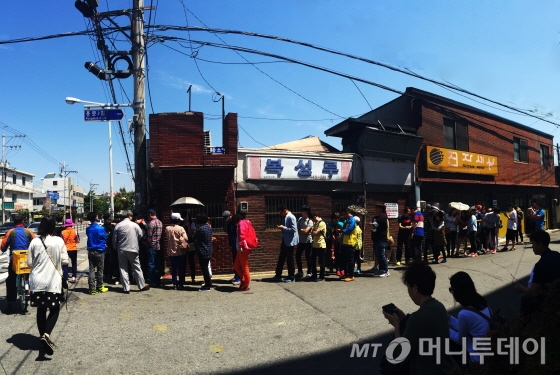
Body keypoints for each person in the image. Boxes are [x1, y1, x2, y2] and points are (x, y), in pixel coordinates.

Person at [382, 262, 455, 374]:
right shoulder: (439, 307)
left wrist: (396, 326)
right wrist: (404, 318)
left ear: (415, 288)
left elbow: (399, 355)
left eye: (409, 287)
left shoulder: (418, 317)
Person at [27, 216, 69, 356]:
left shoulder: (34, 241)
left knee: (41, 309)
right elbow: (65, 260)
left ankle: (42, 338)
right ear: (53, 226)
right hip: (53, 281)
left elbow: (29, 263)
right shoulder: (59, 241)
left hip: (37, 281)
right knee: (55, 308)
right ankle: (46, 335)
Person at [448, 272, 491, 363]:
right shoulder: (482, 303)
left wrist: (445, 329)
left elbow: (460, 340)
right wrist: (448, 318)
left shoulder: (464, 314)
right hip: (488, 351)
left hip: (476, 358)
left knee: (447, 340)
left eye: (451, 289)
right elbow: (465, 326)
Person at [514, 230, 560, 317]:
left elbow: (534, 291)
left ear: (540, 245)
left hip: (548, 299)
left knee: (526, 300)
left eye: (533, 244)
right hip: (556, 294)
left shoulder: (540, 265)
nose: (532, 247)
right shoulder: (556, 255)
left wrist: (522, 289)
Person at [1, 214, 35, 314]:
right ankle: (31, 291)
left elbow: (3, 246)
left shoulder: (10, 232)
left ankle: (10, 303)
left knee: (10, 279)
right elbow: (36, 242)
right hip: (27, 259)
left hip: (15, 259)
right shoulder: (29, 231)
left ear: (14, 223)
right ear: (23, 222)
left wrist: (4, 248)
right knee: (31, 275)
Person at [113, 210, 149, 293]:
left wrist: (116, 247)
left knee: (123, 268)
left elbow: (114, 239)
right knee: (137, 267)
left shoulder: (118, 225)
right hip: (133, 248)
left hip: (121, 249)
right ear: (129, 216)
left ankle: (126, 288)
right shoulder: (134, 225)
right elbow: (140, 235)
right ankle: (141, 285)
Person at [273, 205, 298, 283]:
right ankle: (278, 275)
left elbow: (294, 229)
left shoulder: (291, 217)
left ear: (284, 210)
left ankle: (291, 276)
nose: (281, 214)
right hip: (285, 240)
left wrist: (283, 228)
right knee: (281, 258)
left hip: (290, 241)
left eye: (281, 213)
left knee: (289, 259)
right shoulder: (287, 217)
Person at [86, 212, 109, 295]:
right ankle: (100, 286)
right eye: (97, 215)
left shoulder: (88, 229)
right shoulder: (101, 228)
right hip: (100, 250)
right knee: (100, 269)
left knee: (91, 269)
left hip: (91, 250)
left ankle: (92, 288)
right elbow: (105, 237)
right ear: (95, 218)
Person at [165, 212, 188, 290]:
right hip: (180, 251)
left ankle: (174, 283)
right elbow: (185, 238)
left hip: (171, 250)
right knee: (181, 268)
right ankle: (181, 283)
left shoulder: (167, 228)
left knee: (173, 268)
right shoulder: (181, 228)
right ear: (178, 220)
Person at [234, 210, 254, 292]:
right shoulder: (246, 222)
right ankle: (244, 280)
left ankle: (245, 285)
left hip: (243, 248)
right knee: (236, 266)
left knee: (244, 267)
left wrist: (241, 246)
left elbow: (241, 235)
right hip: (244, 247)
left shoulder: (241, 224)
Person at [193, 213, 213, 292]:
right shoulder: (209, 228)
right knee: (206, 268)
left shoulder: (200, 229)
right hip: (208, 249)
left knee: (204, 268)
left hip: (202, 250)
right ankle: (208, 283)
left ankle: (207, 286)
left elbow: (194, 237)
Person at [371, 204, 389, 277]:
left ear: (381, 209)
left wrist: (372, 224)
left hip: (381, 239)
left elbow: (374, 225)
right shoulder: (376, 217)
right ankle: (381, 270)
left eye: (377, 208)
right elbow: (373, 225)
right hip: (376, 238)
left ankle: (386, 270)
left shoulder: (383, 217)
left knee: (381, 256)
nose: (375, 210)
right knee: (378, 255)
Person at [146, 209, 163, 287]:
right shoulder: (160, 222)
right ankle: (157, 280)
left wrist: (148, 243)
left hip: (152, 245)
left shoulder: (151, 223)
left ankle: (151, 280)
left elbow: (149, 236)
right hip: (158, 245)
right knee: (157, 263)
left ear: (150, 215)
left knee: (151, 263)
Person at [295, 205, 313, 279]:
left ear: (306, 212)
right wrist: (302, 230)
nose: (301, 212)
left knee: (308, 257)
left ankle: (309, 272)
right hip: (301, 241)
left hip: (308, 241)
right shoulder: (300, 219)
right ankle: (300, 271)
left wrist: (301, 230)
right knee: (297, 255)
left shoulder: (310, 221)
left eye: (302, 211)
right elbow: (296, 228)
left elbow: (306, 231)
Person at [224, 210, 241, 285]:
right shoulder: (229, 224)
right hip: (233, 245)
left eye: (227, 217)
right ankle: (236, 275)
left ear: (230, 215)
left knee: (237, 262)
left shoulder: (235, 223)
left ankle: (239, 277)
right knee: (235, 261)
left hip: (237, 245)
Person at [341, 207, 358, 281]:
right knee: (344, 259)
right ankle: (346, 274)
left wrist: (342, 230)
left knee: (350, 260)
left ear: (348, 213)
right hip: (345, 242)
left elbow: (349, 230)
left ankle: (351, 275)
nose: (343, 216)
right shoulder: (347, 220)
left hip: (350, 242)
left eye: (344, 214)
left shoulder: (352, 220)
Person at [61, 218, 80, 283]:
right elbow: (77, 241)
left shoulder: (62, 232)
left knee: (65, 263)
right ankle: (73, 277)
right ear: (71, 225)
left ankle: (66, 279)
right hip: (73, 249)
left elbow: (61, 241)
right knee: (74, 263)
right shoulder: (75, 231)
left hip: (65, 249)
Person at [309, 212, 327, 281]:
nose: (313, 220)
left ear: (316, 216)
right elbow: (312, 232)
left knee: (321, 261)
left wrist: (313, 232)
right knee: (312, 260)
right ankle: (314, 275)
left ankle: (322, 276)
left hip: (321, 245)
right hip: (314, 244)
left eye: (313, 218)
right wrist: (313, 232)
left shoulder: (321, 223)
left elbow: (315, 233)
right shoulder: (315, 223)